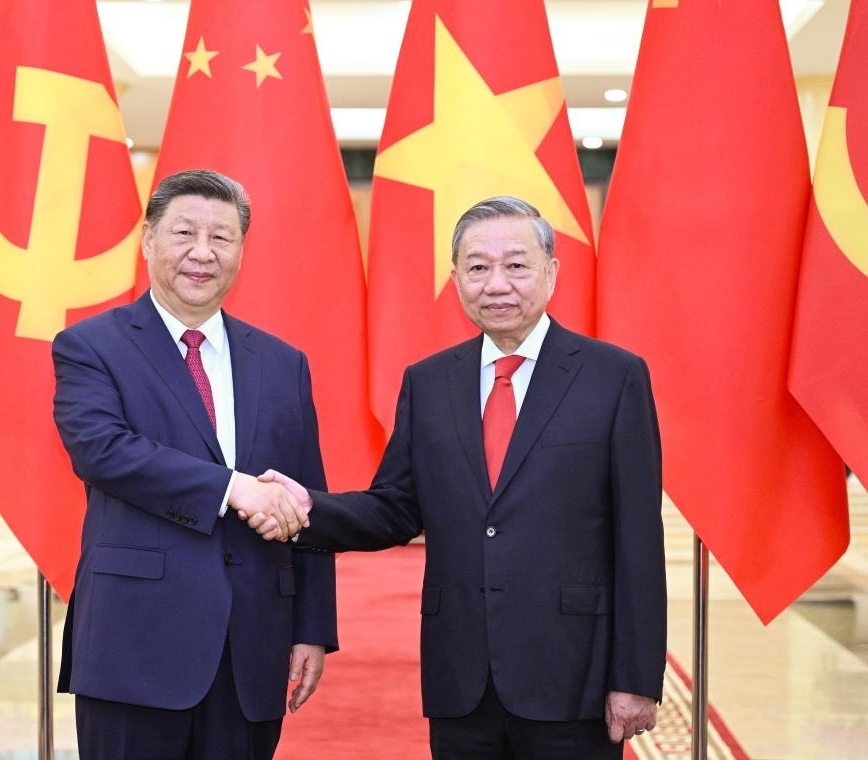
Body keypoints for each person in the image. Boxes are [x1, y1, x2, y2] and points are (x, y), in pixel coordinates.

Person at [259, 196, 666, 759]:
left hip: (573, 673)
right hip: (461, 676)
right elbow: (397, 508)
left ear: (551, 273)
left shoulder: (614, 377)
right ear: (455, 280)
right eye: (477, 267)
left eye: (516, 265)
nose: (496, 284)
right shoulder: (428, 383)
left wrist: (636, 677)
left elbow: (638, 538)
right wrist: (309, 507)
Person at [52, 169, 337, 760]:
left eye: (221, 237)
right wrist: (232, 488)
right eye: (184, 233)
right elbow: (102, 450)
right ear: (148, 240)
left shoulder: (283, 362)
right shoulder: (92, 346)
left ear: (241, 251)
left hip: (251, 647)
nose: (202, 253)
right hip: (134, 644)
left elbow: (305, 499)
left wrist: (313, 627)